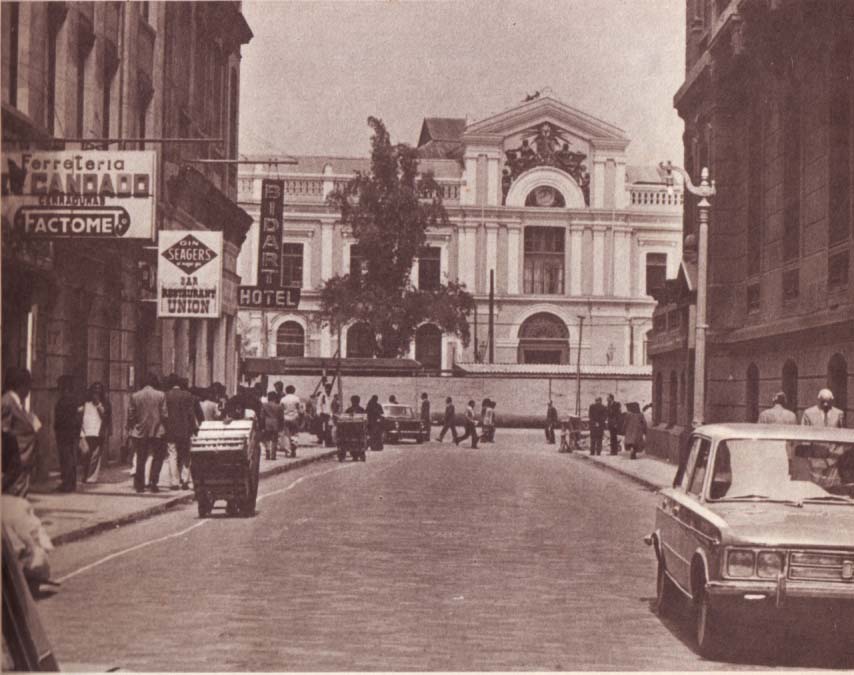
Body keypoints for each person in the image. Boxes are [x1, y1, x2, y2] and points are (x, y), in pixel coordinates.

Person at [2, 368, 41, 497]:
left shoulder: (16, 402)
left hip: (22, 462)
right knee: (12, 499)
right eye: (28, 386)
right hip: (15, 462)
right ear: (20, 385)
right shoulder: (7, 402)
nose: (29, 391)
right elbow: (4, 431)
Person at [127, 373, 167, 493]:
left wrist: (132, 426)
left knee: (141, 458)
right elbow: (164, 414)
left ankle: (140, 485)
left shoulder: (135, 396)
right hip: (157, 431)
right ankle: (153, 482)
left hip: (140, 431)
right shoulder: (161, 395)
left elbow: (131, 415)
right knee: (158, 457)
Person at [163, 374, 196, 490]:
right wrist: (194, 428)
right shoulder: (187, 395)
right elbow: (191, 414)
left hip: (171, 430)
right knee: (186, 455)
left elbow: (164, 414)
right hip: (185, 430)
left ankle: (174, 482)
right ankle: (185, 480)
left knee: (172, 455)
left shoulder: (166, 395)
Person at [78, 381, 112, 484]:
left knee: (95, 455)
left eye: (99, 389)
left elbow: (106, 417)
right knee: (85, 453)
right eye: (95, 389)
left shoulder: (105, 403)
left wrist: (98, 405)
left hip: (98, 432)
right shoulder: (85, 402)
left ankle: (91, 477)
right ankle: (85, 474)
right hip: (85, 431)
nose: (97, 391)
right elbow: (79, 414)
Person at [53, 376, 81, 493]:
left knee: (66, 459)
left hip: (64, 433)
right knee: (71, 459)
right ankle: (71, 483)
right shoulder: (74, 399)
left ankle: (67, 484)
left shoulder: (64, 400)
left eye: (59, 385)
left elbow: (61, 418)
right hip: (72, 433)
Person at [260, 391, 284, 460]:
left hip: (267, 422)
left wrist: (262, 425)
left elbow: (262, 416)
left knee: (267, 438)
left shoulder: (264, 405)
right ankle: (273, 454)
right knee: (274, 439)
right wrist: (281, 426)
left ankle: (267, 452)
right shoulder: (279, 406)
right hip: (275, 423)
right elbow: (281, 417)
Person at [281, 385, 303, 457]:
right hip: (294, 418)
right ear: (294, 391)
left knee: (286, 435)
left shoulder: (283, 399)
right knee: (295, 433)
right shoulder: (297, 399)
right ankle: (294, 444)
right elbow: (300, 410)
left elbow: (281, 409)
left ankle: (288, 451)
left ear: (286, 391)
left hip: (285, 418)